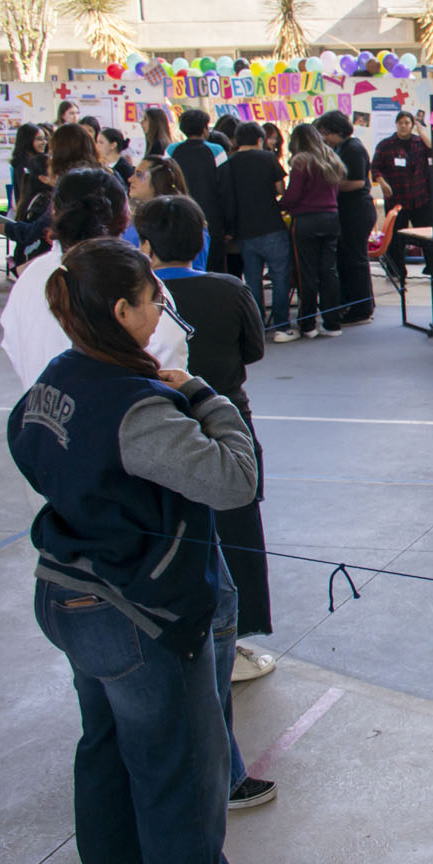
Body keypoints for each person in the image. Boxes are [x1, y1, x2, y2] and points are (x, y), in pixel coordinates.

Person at [7, 237, 290, 864]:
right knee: (181, 779)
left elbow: (26, 446)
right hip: (139, 614)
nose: (161, 310)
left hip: (70, 594)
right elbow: (234, 479)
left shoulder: (56, 381)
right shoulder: (137, 408)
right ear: (121, 310)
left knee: (105, 754)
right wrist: (202, 395)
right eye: (152, 300)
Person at [135, 194, 277, 683]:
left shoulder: (140, 298)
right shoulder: (229, 288)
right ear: (202, 241)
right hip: (225, 418)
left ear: (146, 245)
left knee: (172, 531)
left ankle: (177, 636)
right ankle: (231, 641)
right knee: (236, 531)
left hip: (163, 426)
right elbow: (254, 349)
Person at [2, 168, 187, 389]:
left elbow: (13, 345)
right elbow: (168, 353)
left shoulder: (31, 276)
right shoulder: (135, 280)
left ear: (54, 211)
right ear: (124, 214)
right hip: (128, 407)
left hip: (44, 404)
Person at [219, 122, 294, 341]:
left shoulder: (229, 163)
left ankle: (257, 327)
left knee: (252, 281)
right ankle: (282, 327)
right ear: (260, 140)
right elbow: (280, 189)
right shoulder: (268, 158)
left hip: (244, 231)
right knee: (280, 277)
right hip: (272, 226)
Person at [279, 126, 345, 339]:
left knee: (306, 273)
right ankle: (333, 323)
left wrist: (280, 205)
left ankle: (308, 324)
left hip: (306, 221)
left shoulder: (301, 161)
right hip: (331, 218)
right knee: (329, 272)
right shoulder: (331, 158)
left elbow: (293, 195)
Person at [314, 111, 376, 324]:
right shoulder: (341, 148)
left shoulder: (353, 148)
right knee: (346, 259)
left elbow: (357, 182)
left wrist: (328, 185)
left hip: (357, 211)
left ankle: (362, 308)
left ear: (336, 130)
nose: (324, 138)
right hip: (347, 211)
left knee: (356, 261)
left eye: (325, 133)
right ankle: (350, 301)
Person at [371, 109, 433, 280]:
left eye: (407, 123)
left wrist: (421, 132)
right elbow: (375, 168)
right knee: (396, 238)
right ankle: (396, 271)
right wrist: (382, 183)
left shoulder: (419, 142)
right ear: (396, 124)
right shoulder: (385, 145)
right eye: (401, 123)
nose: (404, 126)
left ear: (412, 125)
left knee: (428, 235)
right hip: (397, 199)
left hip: (420, 198)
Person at [169, 108, 229, 272]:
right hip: (212, 221)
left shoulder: (171, 151)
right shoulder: (216, 150)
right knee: (213, 269)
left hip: (180, 218)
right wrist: (229, 225)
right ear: (204, 129)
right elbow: (225, 189)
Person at [128, 154, 208, 271]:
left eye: (139, 175)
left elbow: (195, 269)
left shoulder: (185, 222)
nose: (130, 179)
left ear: (158, 180)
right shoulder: (132, 218)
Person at [0, 151, 55, 268]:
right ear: (43, 178)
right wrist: (9, 228)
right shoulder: (44, 200)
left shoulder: (35, 197)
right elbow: (32, 232)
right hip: (35, 259)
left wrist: (8, 228)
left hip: (30, 258)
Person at [7, 121, 47, 209]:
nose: (44, 142)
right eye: (39, 139)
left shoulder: (37, 161)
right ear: (27, 140)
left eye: (45, 138)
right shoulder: (23, 165)